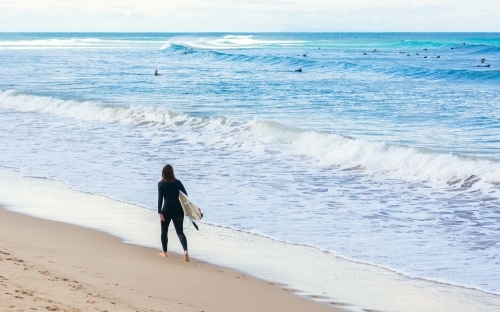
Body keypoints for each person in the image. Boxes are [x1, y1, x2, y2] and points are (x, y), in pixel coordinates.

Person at [158, 164, 190, 261]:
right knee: (180, 232)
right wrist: (186, 209)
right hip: (178, 211)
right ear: (172, 172)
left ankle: (165, 253)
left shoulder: (161, 184)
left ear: (163, 173)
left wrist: (159, 212)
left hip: (166, 210)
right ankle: (185, 251)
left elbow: (160, 199)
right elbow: (185, 196)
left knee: (164, 231)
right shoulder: (178, 183)